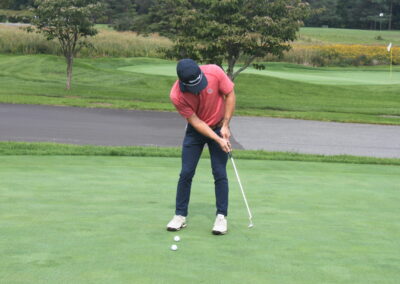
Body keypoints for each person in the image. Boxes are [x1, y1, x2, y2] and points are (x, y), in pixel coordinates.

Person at [166, 58, 236, 235]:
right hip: (196, 131)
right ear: (183, 83)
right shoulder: (177, 95)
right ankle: (180, 216)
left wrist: (226, 125)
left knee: (219, 172)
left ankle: (221, 217)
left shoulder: (214, 72)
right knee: (186, 172)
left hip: (219, 126)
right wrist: (218, 139)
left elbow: (230, 94)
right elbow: (196, 122)